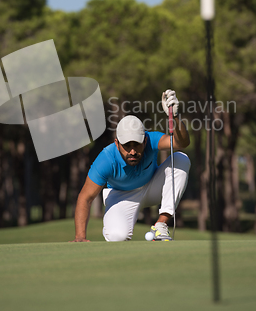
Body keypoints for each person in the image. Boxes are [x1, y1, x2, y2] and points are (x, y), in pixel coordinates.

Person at [71, 90, 190, 242]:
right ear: (117, 143)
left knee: (181, 159)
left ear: (144, 141)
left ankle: (161, 225)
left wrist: (175, 117)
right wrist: (80, 236)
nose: (132, 151)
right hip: (121, 196)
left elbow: (182, 143)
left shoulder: (151, 139)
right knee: (116, 237)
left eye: (137, 145)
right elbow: (85, 198)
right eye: (127, 145)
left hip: (152, 186)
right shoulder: (106, 159)